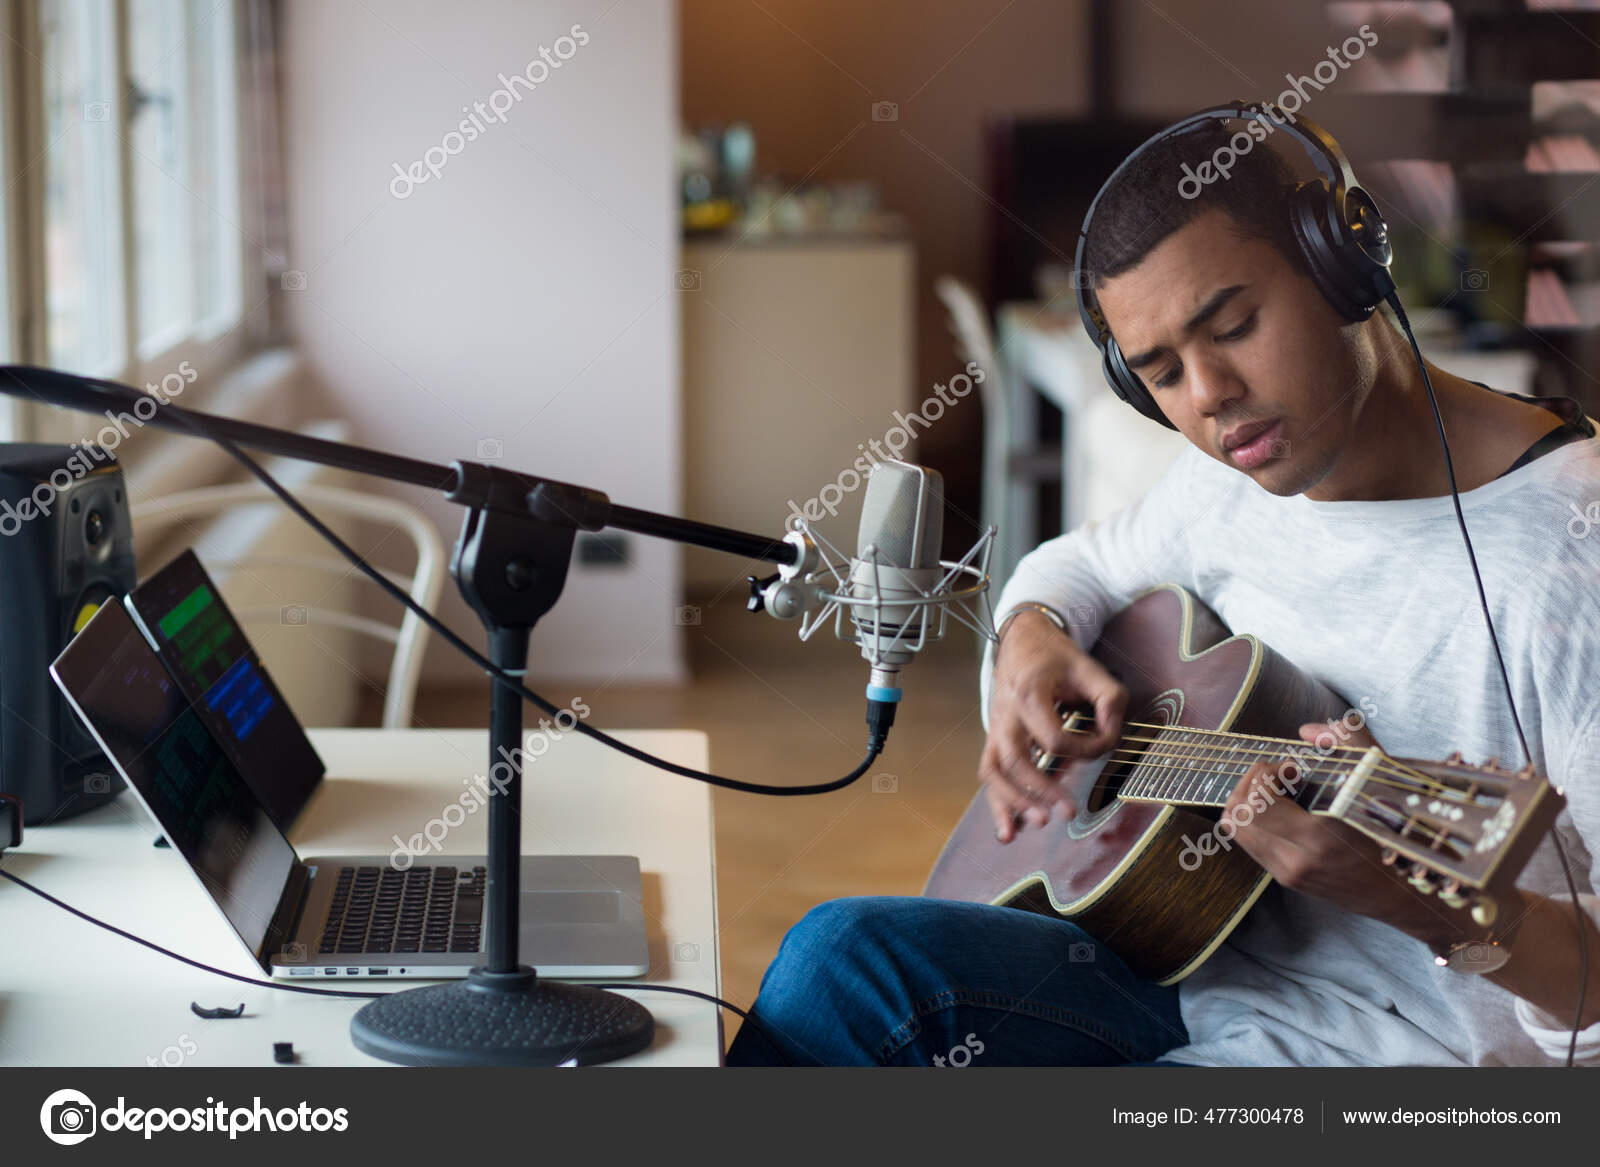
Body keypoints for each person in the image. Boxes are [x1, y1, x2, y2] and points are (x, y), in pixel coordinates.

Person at [725, 115, 1600, 1068]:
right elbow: (1081, 567)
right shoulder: (1230, 479)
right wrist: (1029, 635)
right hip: (1175, 972)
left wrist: (1421, 906)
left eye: (1232, 327)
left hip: (1391, 1059)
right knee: (840, 963)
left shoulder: (1569, 558)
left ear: (1346, 260)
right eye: (1162, 376)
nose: (1211, 394)